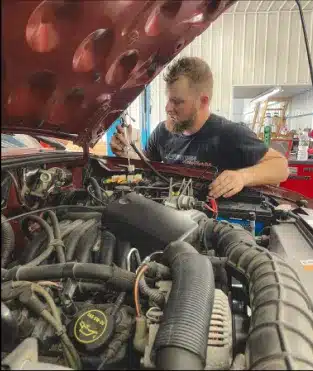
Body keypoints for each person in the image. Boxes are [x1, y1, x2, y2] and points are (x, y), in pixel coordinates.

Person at [110, 57, 289, 199]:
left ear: (203, 101)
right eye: (169, 99)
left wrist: (242, 177)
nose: (168, 108)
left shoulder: (230, 134)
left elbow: (280, 166)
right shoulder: (162, 132)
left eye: (177, 102)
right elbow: (149, 166)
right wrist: (128, 153)